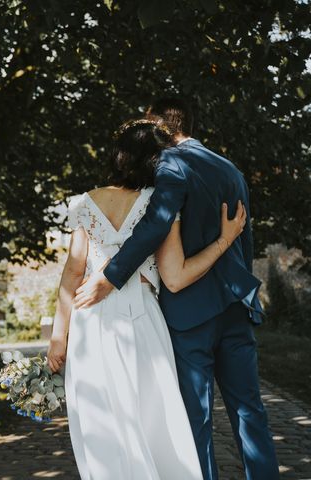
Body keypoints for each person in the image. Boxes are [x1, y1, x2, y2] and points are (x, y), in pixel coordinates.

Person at [69, 99, 280, 480]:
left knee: (194, 417)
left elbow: (154, 225)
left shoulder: (170, 165)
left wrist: (109, 276)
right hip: (235, 303)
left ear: (159, 125)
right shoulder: (229, 167)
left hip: (190, 310)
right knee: (250, 409)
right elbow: (242, 238)